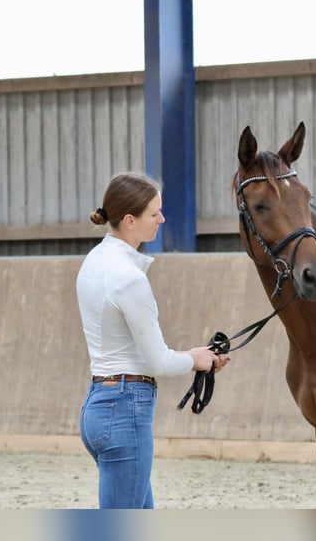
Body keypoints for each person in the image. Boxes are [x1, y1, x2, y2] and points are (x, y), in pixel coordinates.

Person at [77, 172, 230, 509]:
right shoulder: (129, 278)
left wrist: (195, 356)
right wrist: (196, 358)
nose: (162, 218)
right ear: (130, 221)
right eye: (154, 213)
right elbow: (158, 361)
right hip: (125, 410)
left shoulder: (93, 262)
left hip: (98, 404)